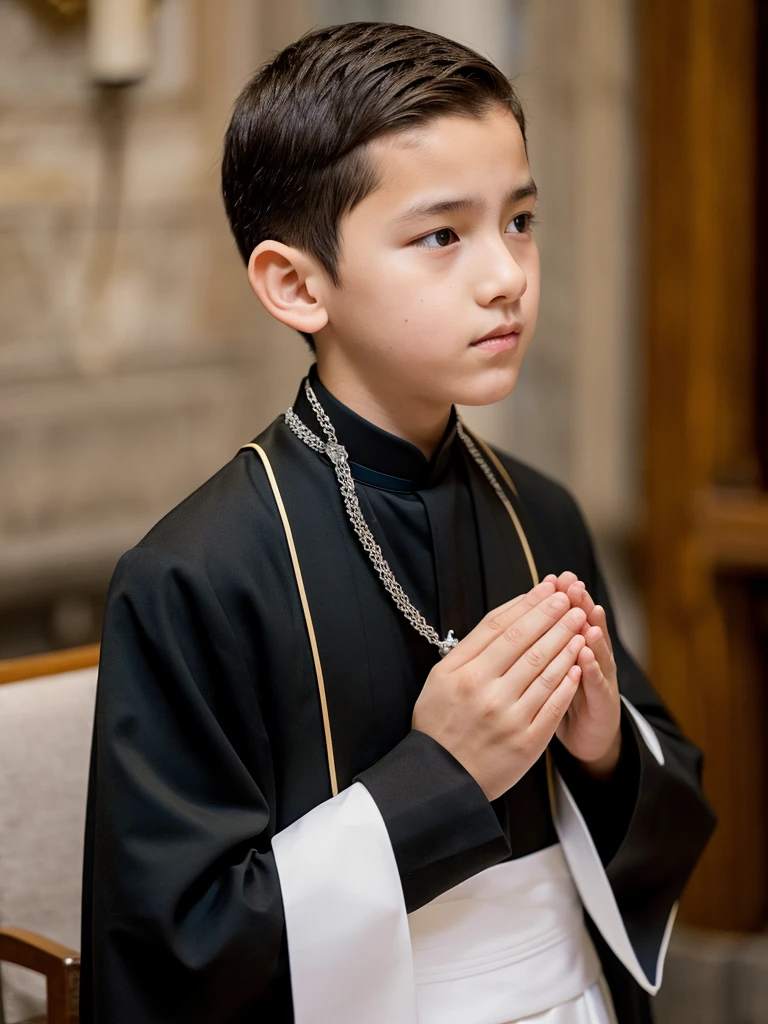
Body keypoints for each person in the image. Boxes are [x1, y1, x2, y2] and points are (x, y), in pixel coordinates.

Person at [80, 21, 716, 1024]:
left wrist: (602, 748)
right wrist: (437, 779)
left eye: (520, 219)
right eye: (441, 236)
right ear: (297, 284)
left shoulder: (539, 510)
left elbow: (667, 794)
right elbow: (175, 949)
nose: (506, 274)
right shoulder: (194, 575)